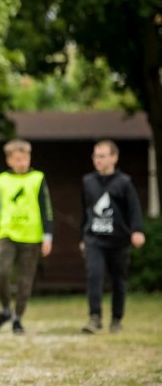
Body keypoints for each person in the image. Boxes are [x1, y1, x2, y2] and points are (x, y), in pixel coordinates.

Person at [0, 139, 53, 334]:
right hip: (7, 234)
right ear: (9, 161)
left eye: (25, 158)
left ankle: (18, 317)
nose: (23, 162)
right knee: (1, 273)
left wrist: (47, 235)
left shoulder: (38, 178)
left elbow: (46, 208)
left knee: (25, 279)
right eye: (18, 159)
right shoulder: (2, 180)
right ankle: (6, 310)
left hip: (31, 236)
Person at [79, 140, 145, 333]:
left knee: (118, 280)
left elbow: (134, 209)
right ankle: (95, 317)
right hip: (94, 239)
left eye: (102, 156)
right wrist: (82, 237)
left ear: (114, 158)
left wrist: (137, 230)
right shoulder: (88, 182)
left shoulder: (124, 182)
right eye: (95, 156)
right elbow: (84, 211)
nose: (97, 160)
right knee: (94, 275)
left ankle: (116, 319)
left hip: (118, 241)